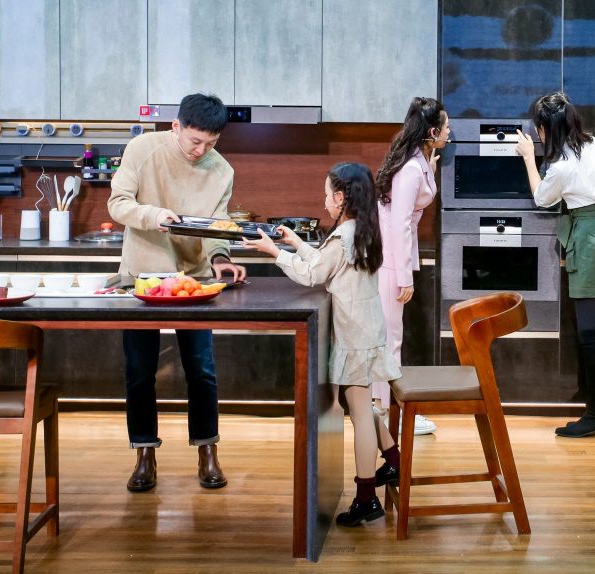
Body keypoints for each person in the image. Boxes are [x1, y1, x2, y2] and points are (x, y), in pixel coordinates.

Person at [242, 162, 401, 526]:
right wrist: (296, 242)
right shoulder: (361, 229)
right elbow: (328, 266)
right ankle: (392, 461)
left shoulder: (343, 235)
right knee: (360, 404)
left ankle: (366, 499)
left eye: (327, 193)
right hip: (366, 327)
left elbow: (312, 274)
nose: (324, 199)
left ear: (340, 198)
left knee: (359, 412)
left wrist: (274, 252)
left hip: (355, 334)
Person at [108, 92, 248, 492]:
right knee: (139, 370)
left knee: (201, 369)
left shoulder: (221, 170)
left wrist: (220, 257)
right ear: (176, 126)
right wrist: (153, 216)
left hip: (194, 281)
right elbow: (118, 204)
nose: (200, 151)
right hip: (143, 276)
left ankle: (207, 452)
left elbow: (217, 223)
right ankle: (144, 454)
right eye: (195, 141)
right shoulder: (142, 149)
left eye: (210, 143)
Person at [514, 92, 595, 438]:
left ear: (544, 130)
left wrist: (529, 159)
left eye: (538, 129)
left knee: (592, 334)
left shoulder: (562, 165)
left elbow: (542, 198)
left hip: (589, 241)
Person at [373, 96, 449, 436]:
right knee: (389, 340)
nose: (449, 132)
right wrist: (404, 276)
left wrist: (430, 165)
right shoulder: (410, 168)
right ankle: (390, 415)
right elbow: (401, 223)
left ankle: (386, 411)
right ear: (432, 132)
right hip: (390, 258)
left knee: (389, 338)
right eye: (445, 127)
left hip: (393, 254)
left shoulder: (419, 160)